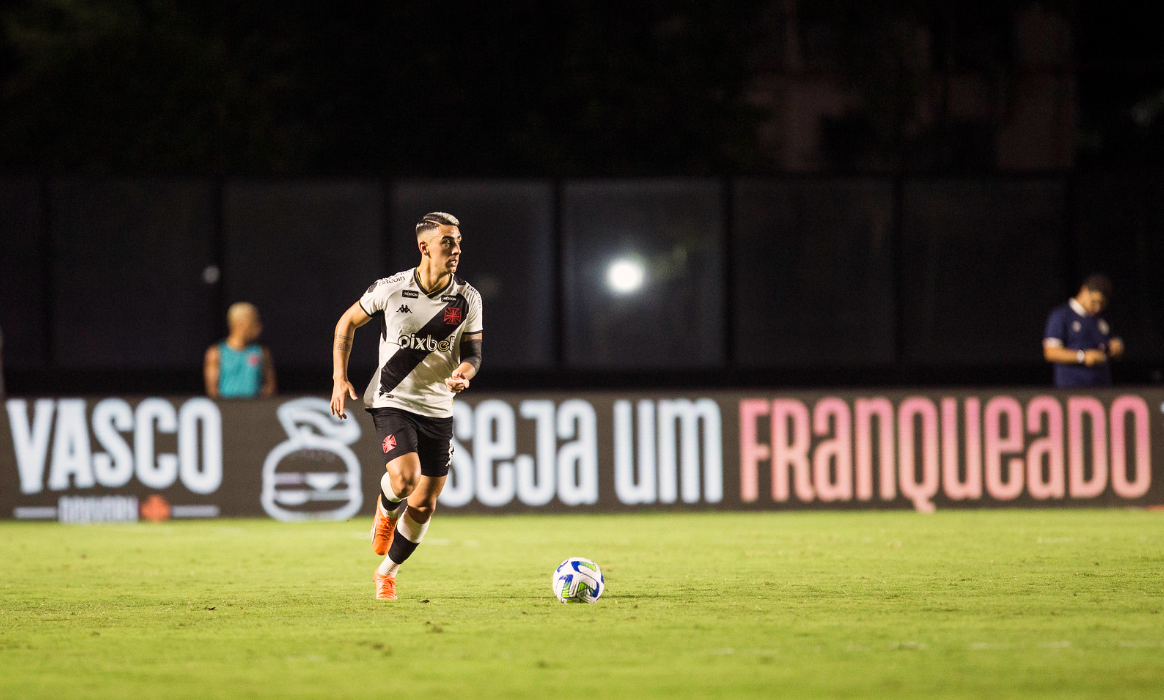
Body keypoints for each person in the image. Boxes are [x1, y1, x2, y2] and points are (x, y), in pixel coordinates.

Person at [330, 212, 483, 601]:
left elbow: (473, 354)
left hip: (439, 407)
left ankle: (387, 572)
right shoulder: (392, 288)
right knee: (405, 478)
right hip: (392, 398)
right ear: (425, 246)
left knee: (426, 503)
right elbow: (346, 323)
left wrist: (464, 373)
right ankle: (386, 508)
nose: (456, 249)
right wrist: (338, 377)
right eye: (448, 241)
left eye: (459, 242)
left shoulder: (468, 299)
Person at [1043, 274, 1124, 387]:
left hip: (1102, 388)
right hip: (1072, 389)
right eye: (1094, 301)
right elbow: (1050, 352)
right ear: (1084, 291)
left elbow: (1111, 347)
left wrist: (1116, 347)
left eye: (1101, 304)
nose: (1097, 307)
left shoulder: (1102, 318)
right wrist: (1082, 357)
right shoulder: (1061, 315)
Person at [204, 302, 277, 399]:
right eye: (255, 321)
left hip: (255, 409)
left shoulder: (261, 352)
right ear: (241, 323)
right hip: (227, 409)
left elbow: (270, 385)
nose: (259, 327)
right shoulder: (216, 353)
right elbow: (212, 390)